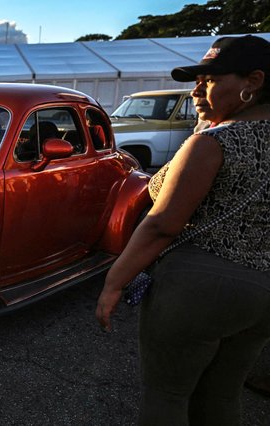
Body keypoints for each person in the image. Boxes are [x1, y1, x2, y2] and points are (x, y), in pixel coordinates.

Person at [96, 35, 270, 425]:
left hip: (199, 288)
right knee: (222, 397)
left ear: (253, 81)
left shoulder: (215, 142)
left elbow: (162, 225)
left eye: (210, 79)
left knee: (167, 396)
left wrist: (114, 282)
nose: (196, 90)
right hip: (263, 293)